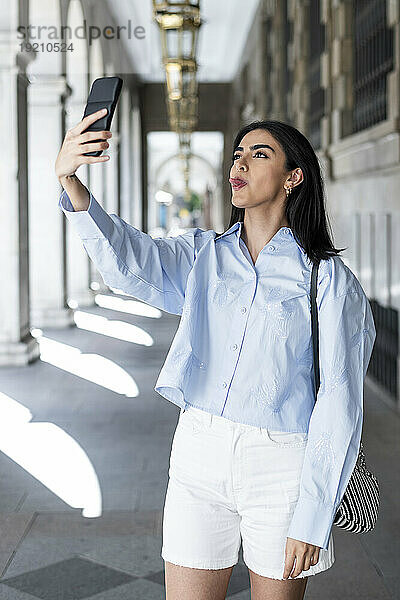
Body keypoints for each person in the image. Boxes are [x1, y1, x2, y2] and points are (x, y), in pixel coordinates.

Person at [55, 110, 376, 600]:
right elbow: (127, 262)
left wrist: (313, 515)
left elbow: (339, 398)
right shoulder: (202, 255)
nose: (240, 163)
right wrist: (70, 181)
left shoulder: (328, 281)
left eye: (258, 154)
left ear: (294, 177)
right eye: (237, 154)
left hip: (283, 466)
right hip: (197, 453)